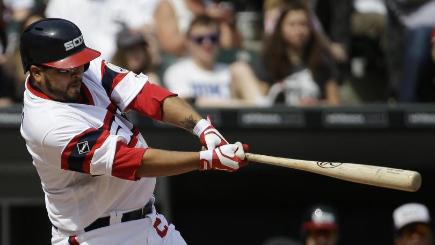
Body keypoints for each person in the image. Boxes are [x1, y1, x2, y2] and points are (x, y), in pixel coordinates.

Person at [19, 18, 248, 245]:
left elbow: (146, 95)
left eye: (80, 64)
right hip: (95, 236)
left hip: (148, 222)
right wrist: (205, 160)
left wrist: (203, 128)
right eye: (67, 70)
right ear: (38, 73)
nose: (78, 73)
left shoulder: (87, 70)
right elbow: (131, 162)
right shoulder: (46, 125)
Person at [163, 14, 267, 107]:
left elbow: (258, 104)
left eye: (213, 38)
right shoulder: (177, 71)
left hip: (231, 126)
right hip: (195, 126)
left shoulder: (230, 71)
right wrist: (242, 104)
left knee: (240, 68)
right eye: (200, 39)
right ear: (188, 42)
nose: (207, 44)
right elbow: (186, 104)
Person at [259, 1, 340, 106]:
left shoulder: (323, 60)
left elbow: (335, 102)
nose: (299, 31)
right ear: (280, 28)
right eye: (292, 24)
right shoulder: (269, 60)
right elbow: (259, 101)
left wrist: (315, 104)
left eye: (303, 24)